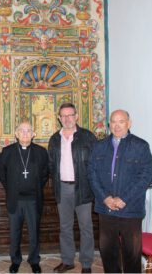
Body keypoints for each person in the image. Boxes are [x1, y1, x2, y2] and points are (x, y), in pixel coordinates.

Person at [89, 109, 152, 273]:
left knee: (131, 254)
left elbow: (145, 177)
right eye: (113, 121)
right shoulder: (99, 146)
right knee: (108, 252)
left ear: (129, 123)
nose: (117, 125)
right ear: (109, 124)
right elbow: (92, 174)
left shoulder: (141, 146)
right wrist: (105, 198)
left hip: (130, 209)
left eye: (121, 121)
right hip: (106, 209)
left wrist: (124, 198)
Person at [48, 103, 96, 273]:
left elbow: (95, 164)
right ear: (59, 118)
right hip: (62, 189)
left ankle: (87, 263)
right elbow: (51, 165)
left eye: (70, 115)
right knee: (65, 227)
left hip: (82, 188)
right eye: (64, 116)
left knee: (86, 227)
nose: (67, 118)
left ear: (76, 116)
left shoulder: (88, 137)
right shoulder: (54, 139)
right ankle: (67, 260)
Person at [0, 122, 49, 273]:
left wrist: (35, 186)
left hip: (33, 200)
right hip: (15, 199)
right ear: (16, 134)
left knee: (34, 232)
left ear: (34, 134)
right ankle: (15, 260)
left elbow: (45, 173)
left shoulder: (41, 152)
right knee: (15, 232)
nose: (25, 133)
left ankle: (34, 260)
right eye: (22, 130)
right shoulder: (7, 151)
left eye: (28, 131)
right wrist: (12, 188)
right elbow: (1, 173)